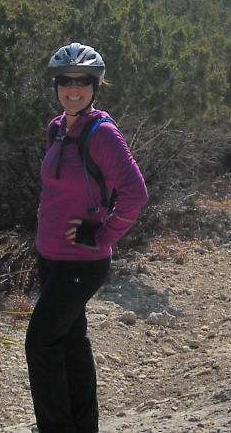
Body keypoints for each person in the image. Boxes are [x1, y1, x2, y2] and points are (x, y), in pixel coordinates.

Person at [25, 42, 148, 433]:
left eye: (83, 81)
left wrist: (104, 233)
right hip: (52, 258)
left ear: (96, 85)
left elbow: (135, 193)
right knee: (71, 342)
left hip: (81, 262)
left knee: (40, 344)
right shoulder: (58, 129)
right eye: (65, 81)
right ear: (56, 85)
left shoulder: (103, 134)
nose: (73, 89)